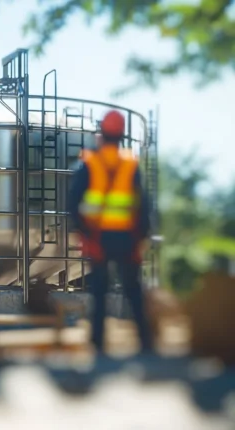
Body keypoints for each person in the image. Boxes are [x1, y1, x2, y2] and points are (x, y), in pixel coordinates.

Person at [67, 110, 154, 355]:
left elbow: (73, 205)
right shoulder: (131, 164)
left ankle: (98, 345)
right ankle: (146, 344)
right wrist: (141, 239)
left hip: (98, 238)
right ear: (121, 136)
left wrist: (84, 234)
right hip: (127, 238)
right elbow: (143, 207)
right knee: (133, 291)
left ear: (101, 136)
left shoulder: (88, 164)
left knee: (99, 291)